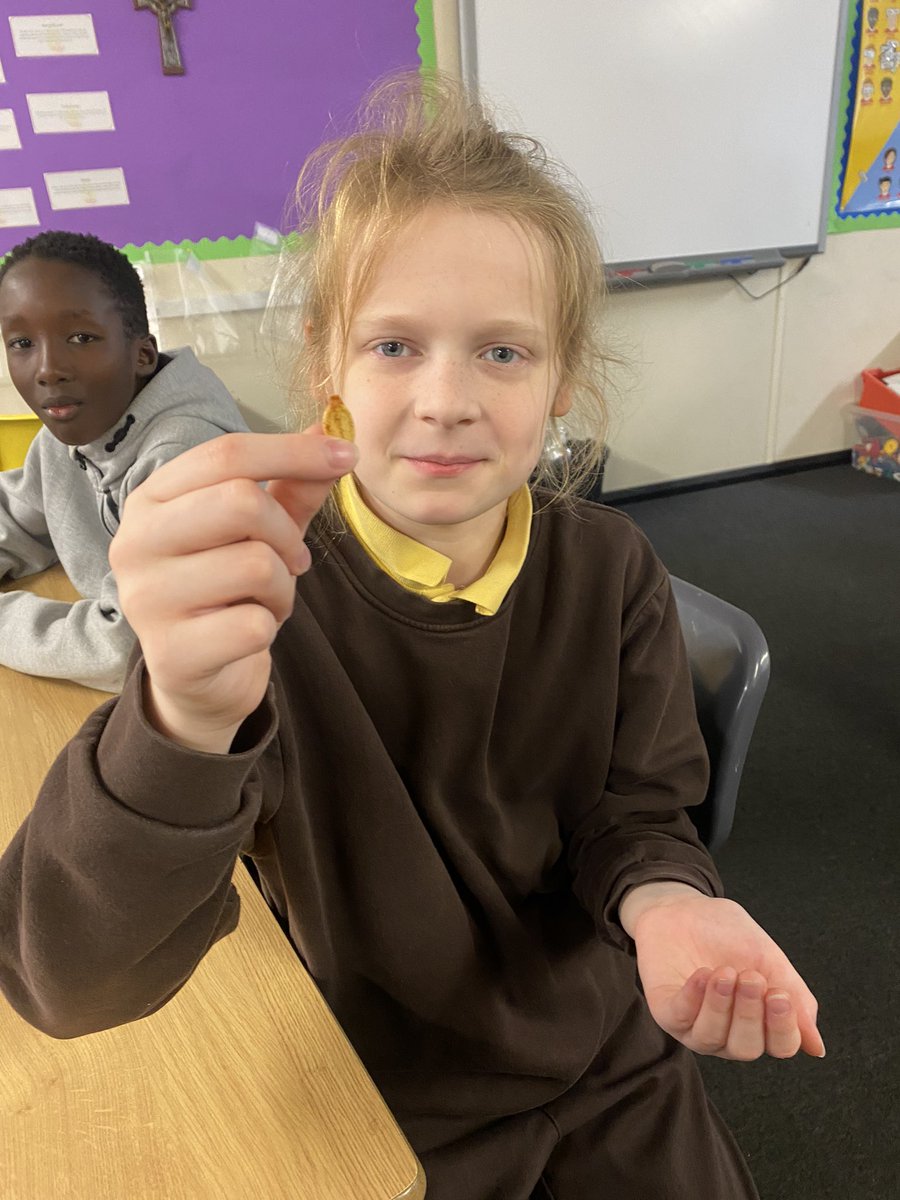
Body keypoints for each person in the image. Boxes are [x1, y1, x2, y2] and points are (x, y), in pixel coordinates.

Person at [0, 76, 823, 1199]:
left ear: (563, 379)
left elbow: (635, 812)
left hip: (611, 1065)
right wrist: (181, 718)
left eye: (503, 352)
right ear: (327, 367)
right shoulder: (260, 592)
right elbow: (69, 982)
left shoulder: (609, 567)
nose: (445, 398)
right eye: (394, 347)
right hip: (389, 1099)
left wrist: (671, 904)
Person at [0, 230, 248, 691]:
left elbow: (132, 648)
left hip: (233, 698)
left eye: (80, 336)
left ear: (142, 354)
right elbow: (17, 515)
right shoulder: (69, 431)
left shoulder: (186, 460)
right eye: (21, 343)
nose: (47, 368)